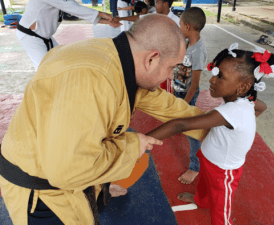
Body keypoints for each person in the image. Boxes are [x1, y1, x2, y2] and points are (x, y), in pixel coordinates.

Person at [0, 14, 209, 225]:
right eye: (171, 68)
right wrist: (132, 145)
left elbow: (170, 108)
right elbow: (68, 171)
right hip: (43, 194)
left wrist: (215, 126)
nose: (170, 77)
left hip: (62, 169)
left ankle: (100, 189)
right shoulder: (90, 79)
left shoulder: (120, 60)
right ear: (152, 59)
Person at [146, 43, 274, 224]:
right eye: (215, 72)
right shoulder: (242, 102)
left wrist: (145, 139)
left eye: (220, 77)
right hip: (210, 159)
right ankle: (200, 200)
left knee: (220, 211)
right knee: (204, 186)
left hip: (224, 172)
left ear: (243, 87)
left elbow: (181, 125)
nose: (212, 79)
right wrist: (247, 114)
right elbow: (261, 106)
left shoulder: (234, 111)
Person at [16, 0, 121, 70]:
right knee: (44, 69)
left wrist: (107, 21)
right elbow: (74, 8)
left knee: (62, 60)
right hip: (30, 37)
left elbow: (77, 11)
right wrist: (102, 14)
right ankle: (42, 99)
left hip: (45, 37)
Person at [171, 7, 208, 184]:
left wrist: (185, 103)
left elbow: (194, 84)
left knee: (192, 131)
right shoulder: (186, 43)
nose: (179, 28)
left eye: (180, 25)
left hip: (188, 94)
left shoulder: (198, 51)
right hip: (179, 90)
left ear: (187, 26)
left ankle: (195, 166)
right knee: (181, 122)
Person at [114, 0, 179, 26]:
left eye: (157, 3)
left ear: (165, 4)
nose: (155, 6)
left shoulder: (176, 21)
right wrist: (120, 18)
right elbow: (138, 18)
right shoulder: (153, 14)